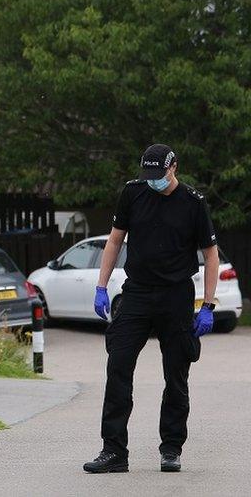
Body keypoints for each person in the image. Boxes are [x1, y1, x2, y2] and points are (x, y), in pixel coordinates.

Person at [84, 144, 217, 474]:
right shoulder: (133, 193)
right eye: (149, 175)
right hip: (137, 294)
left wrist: (208, 306)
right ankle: (114, 451)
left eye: (159, 175)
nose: (153, 181)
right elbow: (115, 240)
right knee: (118, 366)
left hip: (176, 295)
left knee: (175, 375)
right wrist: (101, 287)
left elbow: (211, 255)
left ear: (174, 168)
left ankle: (171, 448)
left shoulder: (193, 203)